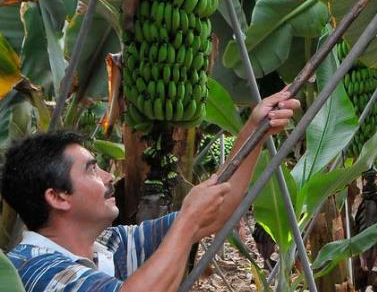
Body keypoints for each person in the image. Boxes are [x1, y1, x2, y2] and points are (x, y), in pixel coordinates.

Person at [1, 90, 299, 292]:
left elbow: (217, 210)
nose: (107, 177)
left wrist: (254, 130)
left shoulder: (110, 244)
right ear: (57, 196)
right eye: (92, 169)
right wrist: (187, 222)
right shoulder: (34, 269)